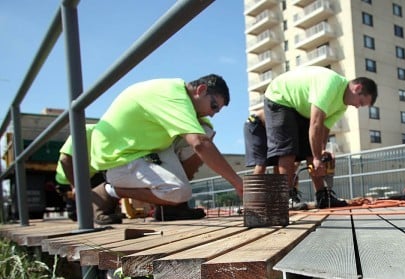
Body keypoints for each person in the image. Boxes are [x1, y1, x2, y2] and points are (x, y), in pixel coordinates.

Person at [88, 75, 243, 224]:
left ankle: (173, 207)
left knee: (206, 130)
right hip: (118, 157)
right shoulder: (173, 97)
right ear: (201, 90)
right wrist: (238, 183)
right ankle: (110, 190)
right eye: (213, 106)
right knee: (180, 189)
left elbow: (203, 138)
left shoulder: (181, 96)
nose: (212, 114)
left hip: (145, 149)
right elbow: (199, 144)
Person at [263, 66, 377, 209]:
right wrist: (317, 158)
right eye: (360, 102)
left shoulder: (342, 106)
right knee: (288, 150)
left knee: (313, 151)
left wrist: (321, 153)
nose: (357, 107)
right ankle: (286, 198)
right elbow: (315, 123)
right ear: (357, 88)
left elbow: (324, 129)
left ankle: (322, 196)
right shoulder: (331, 84)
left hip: (300, 107)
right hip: (280, 97)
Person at [55, 124, 104, 221]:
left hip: (90, 176)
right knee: (76, 216)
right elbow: (65, 160)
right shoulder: (85, 131)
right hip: (69, 177)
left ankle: (102, 209)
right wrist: (76, 186)